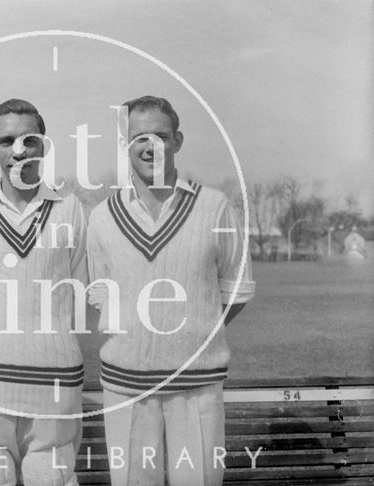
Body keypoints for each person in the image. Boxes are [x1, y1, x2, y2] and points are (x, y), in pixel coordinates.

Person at [87, 95, 255, 486]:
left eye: (160, 135)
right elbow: (100, 293)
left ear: (177, 140)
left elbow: (237, 288)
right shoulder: (101, 216)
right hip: (125, 386)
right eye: (138, 137)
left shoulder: (214, 207)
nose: (150, 146)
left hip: (196, 385)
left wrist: (193, 329)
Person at [0, 99, 87, 486]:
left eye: (28, 140)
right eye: (7, 140)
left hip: (54, 388)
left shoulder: (71, 209)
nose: (18, 150)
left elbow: (77, 295)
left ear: (43, 144)